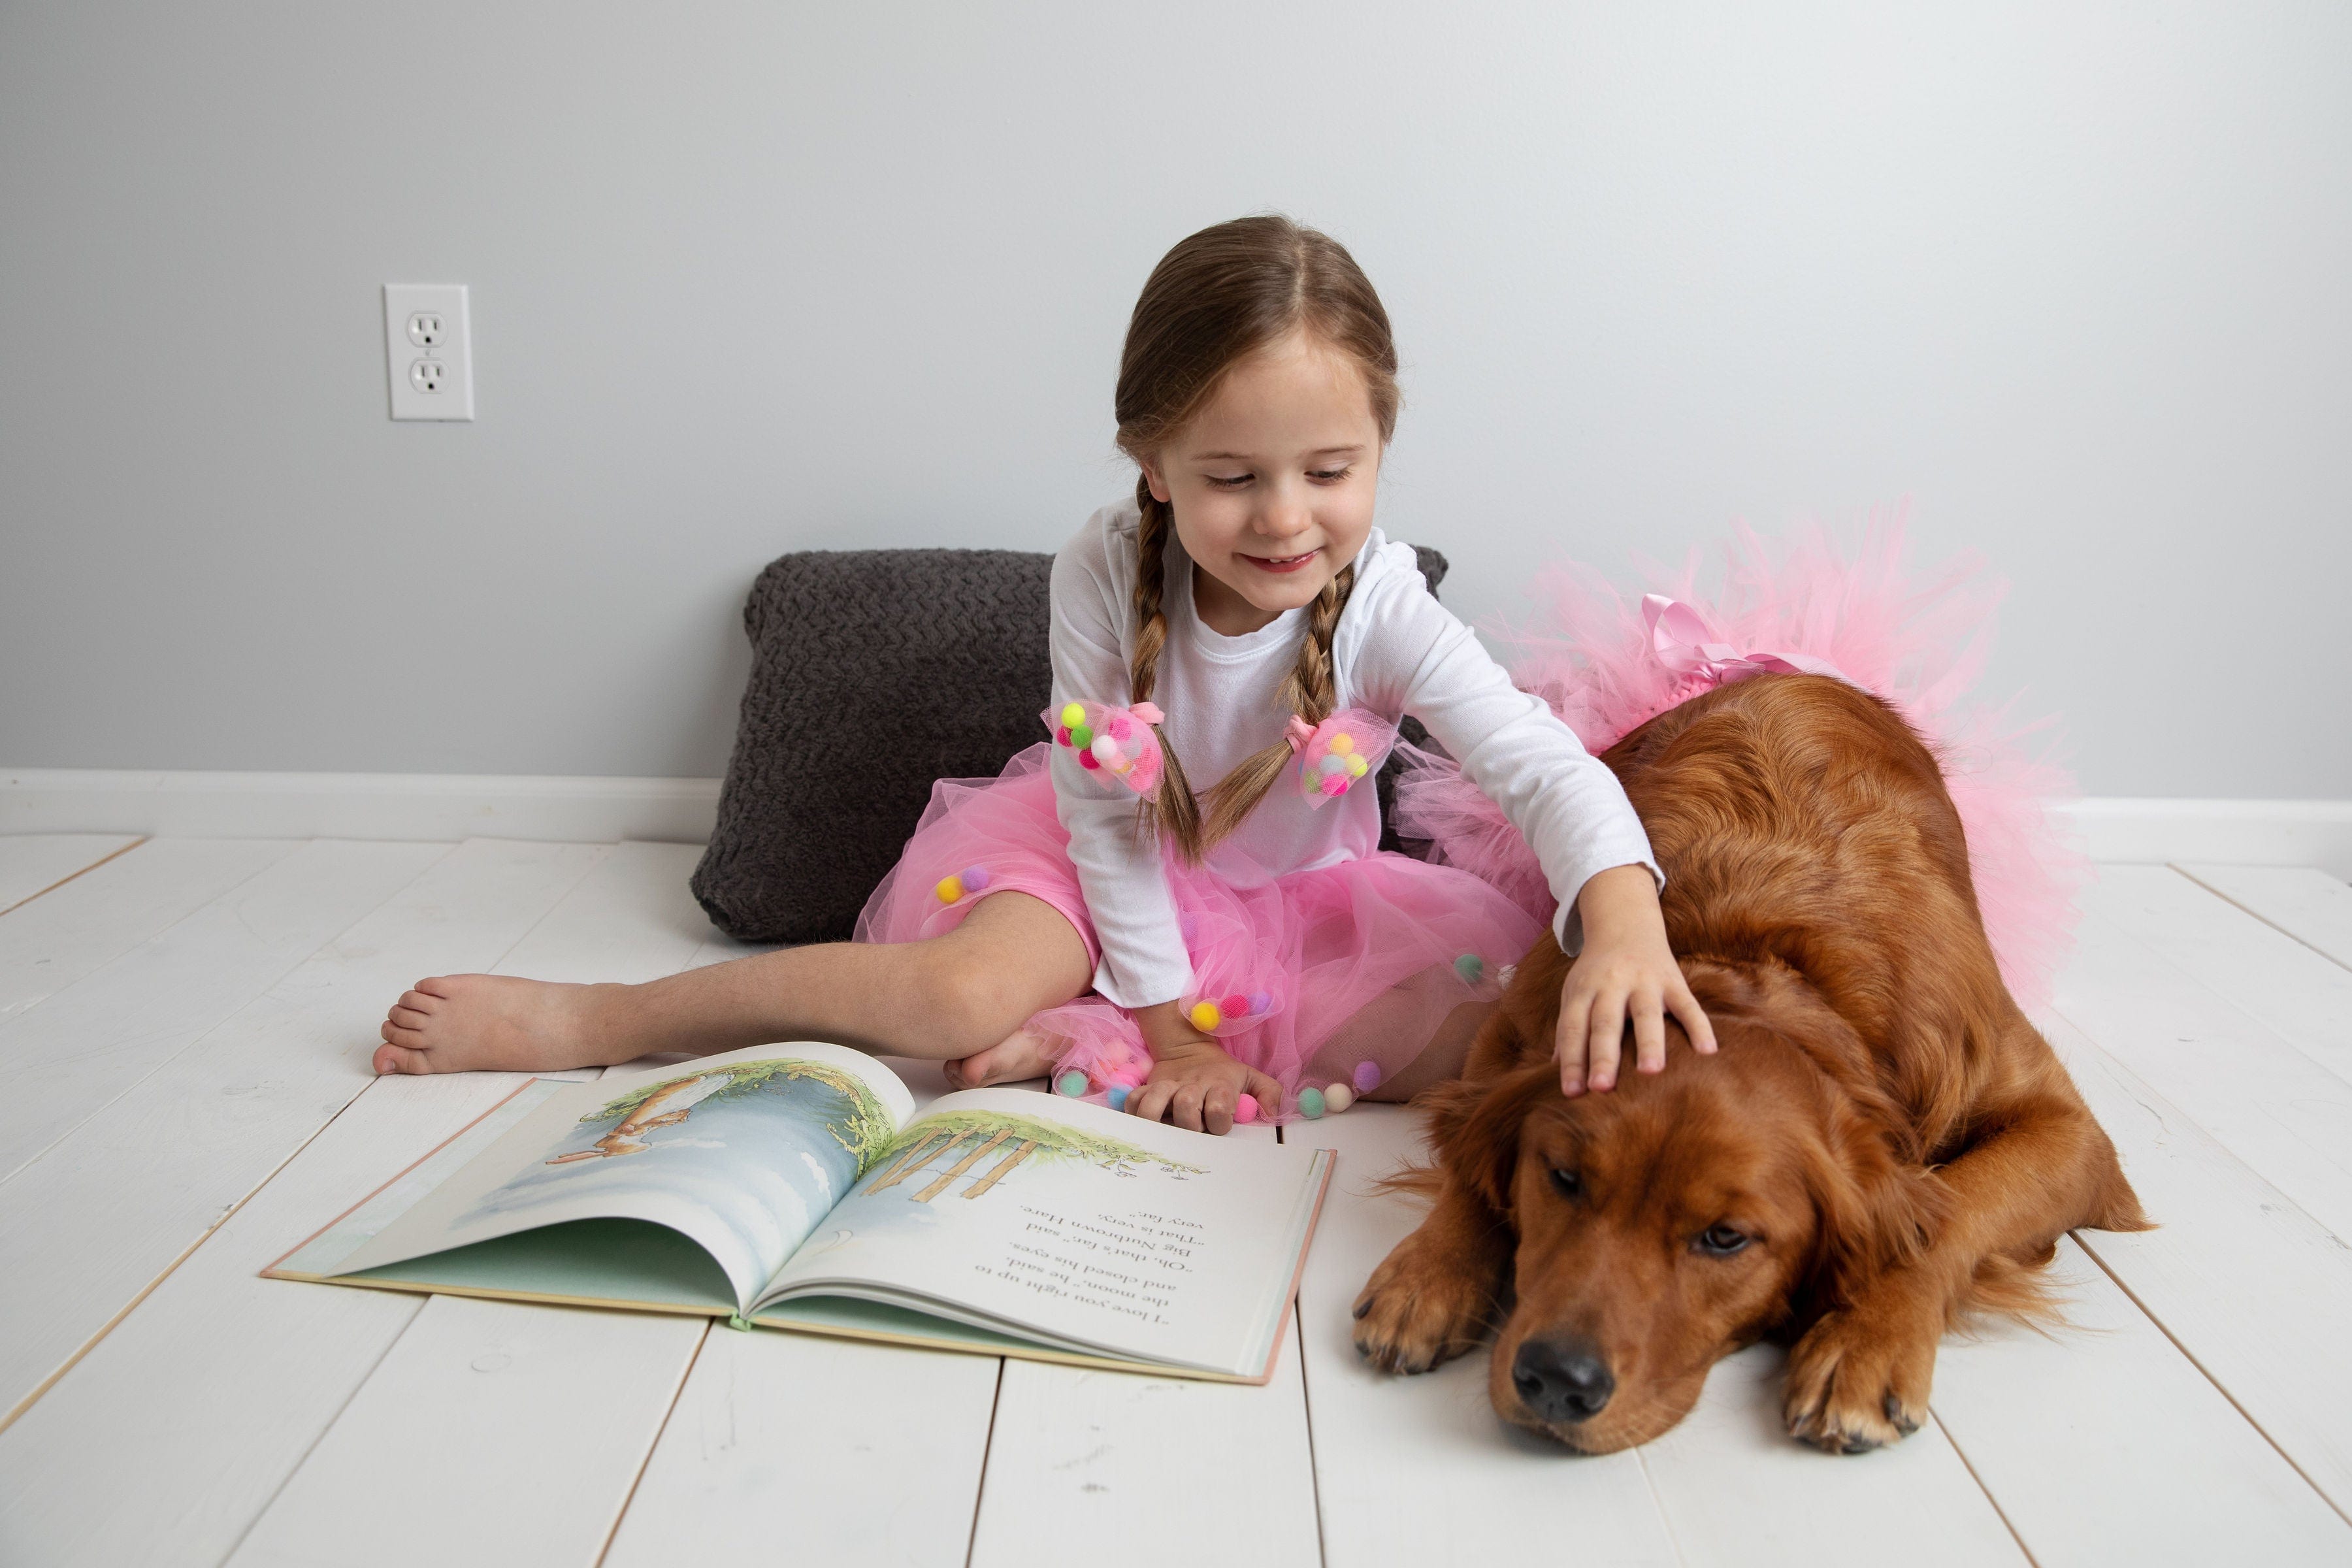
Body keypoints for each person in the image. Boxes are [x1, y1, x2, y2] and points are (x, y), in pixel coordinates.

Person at [376, 214, 1715, 1134]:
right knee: (957, 993)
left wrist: (1628, 922)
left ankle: (1078, 1038)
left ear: (1380, 446)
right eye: (1233, 479)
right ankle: (604, 1018)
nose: (1287, 520)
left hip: (1299, 909)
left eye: (1331, 472)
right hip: (1096, 869)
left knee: (1502, 1038)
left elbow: (1543, 767)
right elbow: (1105, 820)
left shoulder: (1382, 610)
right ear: (1152, 462)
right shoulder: (1100, 570)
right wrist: (1175, 1028)